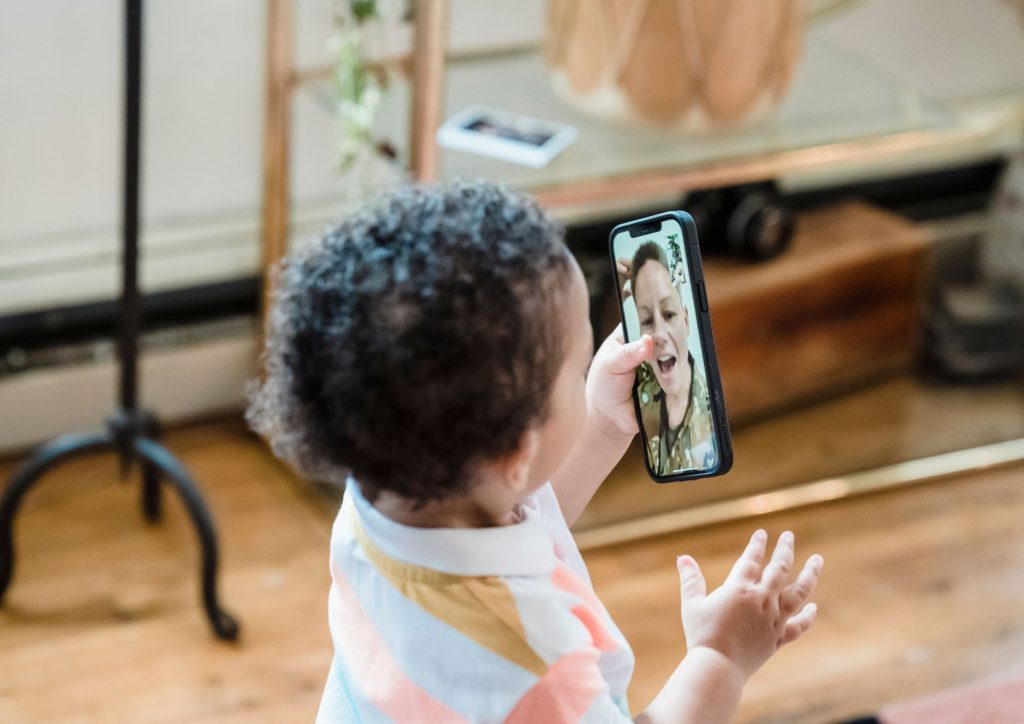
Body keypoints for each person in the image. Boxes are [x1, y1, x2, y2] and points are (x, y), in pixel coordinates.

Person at [249, 181, 823, 723]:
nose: (587, 374)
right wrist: (721, 658)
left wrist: (598, 423)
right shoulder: (532, 668)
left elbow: (520, 519)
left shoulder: (379, 501)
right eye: (576, 371)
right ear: (515, 450)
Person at [626, 243, 716, 475]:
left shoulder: (710, 414)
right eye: (646, 320)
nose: (658, 334)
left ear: (686, 320)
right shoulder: (639, 384)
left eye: (669, 314)